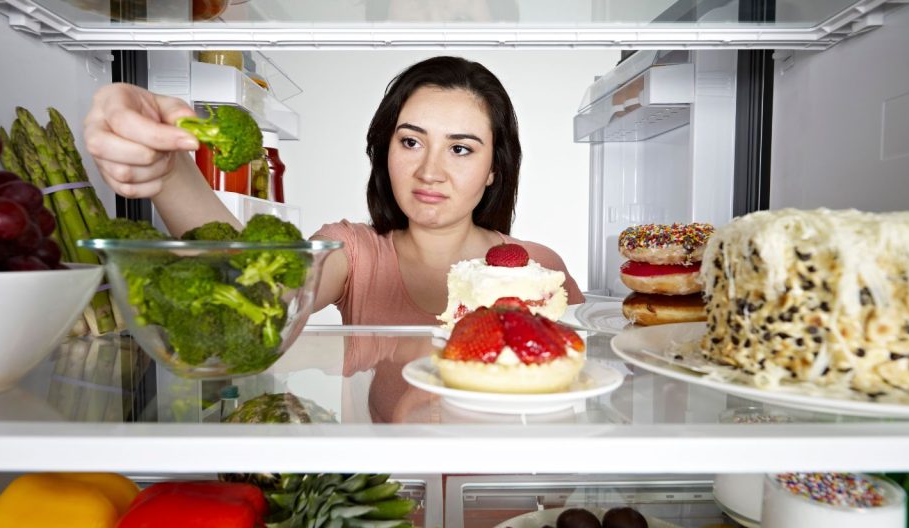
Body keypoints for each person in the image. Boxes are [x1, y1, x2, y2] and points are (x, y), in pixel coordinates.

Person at [83, 55, 584, 325]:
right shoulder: (352, 253)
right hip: (385, 510)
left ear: (494, 169)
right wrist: (169, 171)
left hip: (510, 510)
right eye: (411, 141)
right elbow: (260, 299)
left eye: (460, 149)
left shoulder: (538, 266)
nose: (430, 170)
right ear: (383, 148)